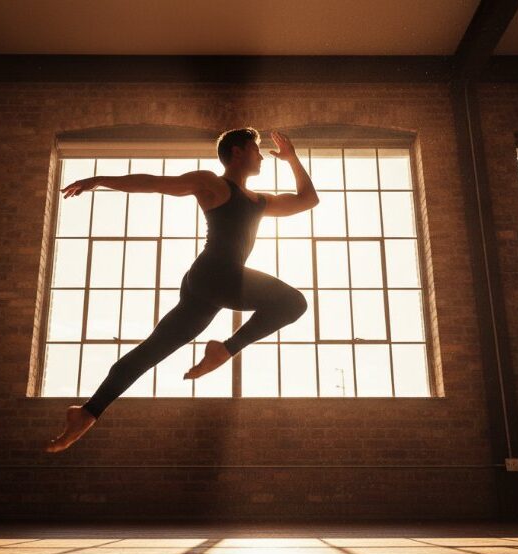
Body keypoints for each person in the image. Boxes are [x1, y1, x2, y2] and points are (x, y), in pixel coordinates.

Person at [44, 128, 318, 453]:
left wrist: (293, 159)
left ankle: (87, 412)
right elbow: (154, 183)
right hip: (215, 275)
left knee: (153, 349)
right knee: (293, 302)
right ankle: (225, 350)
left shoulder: (258, 201)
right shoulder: (212, 184)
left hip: (207, 285)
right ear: (237, 152)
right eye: (256, 150)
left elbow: (307, 200)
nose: (261, 156)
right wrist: (100, 179)